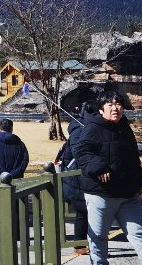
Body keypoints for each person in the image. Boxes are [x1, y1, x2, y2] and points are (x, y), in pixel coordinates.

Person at [73, 92, 142, 265]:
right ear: (100, 109)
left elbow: (131, 157)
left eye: (118, 104)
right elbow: (81, 152)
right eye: (110, 104)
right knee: (98, 236)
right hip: (101, 193)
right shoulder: (92, 128)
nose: (115, 108)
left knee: (140, 233)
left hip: (128, 193)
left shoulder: (124, 126)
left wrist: (139, 180)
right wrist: (99, 168)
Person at [55, 109, 89, 255]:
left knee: (85, 212)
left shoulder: (79, 129)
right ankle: (79, 244)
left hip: (78, 179)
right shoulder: (78, 132)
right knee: (82, 211)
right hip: (76, 180)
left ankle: (83, 242)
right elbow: (78, 154)